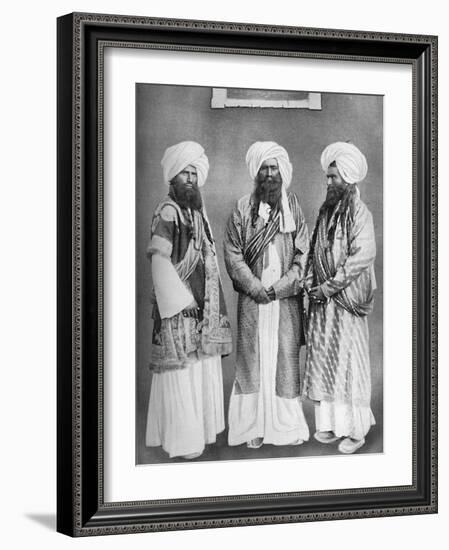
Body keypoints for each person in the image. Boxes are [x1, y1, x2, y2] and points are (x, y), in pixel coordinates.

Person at [145, 141, 232, 459]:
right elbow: (159, 262)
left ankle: (203, 432)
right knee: (181, 373)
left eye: (195, 173)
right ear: (173, 177)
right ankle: (184, 441)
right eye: (185, 172)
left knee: (199, 371)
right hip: (181, 311)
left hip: (202, 311)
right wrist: (183, 302)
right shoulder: (168, 211)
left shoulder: (196, 211)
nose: (191, 179)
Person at [223, 141, 310, 449]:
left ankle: (285, 427)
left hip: (283, 301)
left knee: (283, 360)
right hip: (254, 300)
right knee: (253, 361)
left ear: (282, 171)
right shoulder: (242, 208)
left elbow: (303, 256)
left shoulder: (294, 207)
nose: (270, 174)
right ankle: (252, 429)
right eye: (264, 168)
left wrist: (280, 287)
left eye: (274, 168)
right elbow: (233, 256)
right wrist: (257, 288)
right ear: (256, 172)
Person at [303, 141, 377, 454]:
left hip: (346, 303)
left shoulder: (360, 213)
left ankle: (356, 431)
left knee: (348, 364)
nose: (328, 182)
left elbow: (362, 256)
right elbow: (313, 250)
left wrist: (330, 286)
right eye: (328, 176)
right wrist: (310, 283)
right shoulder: (327, 211)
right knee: (325, 361)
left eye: (333, 177)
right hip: (324, 305)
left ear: (347, 178)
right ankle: (332, 425)